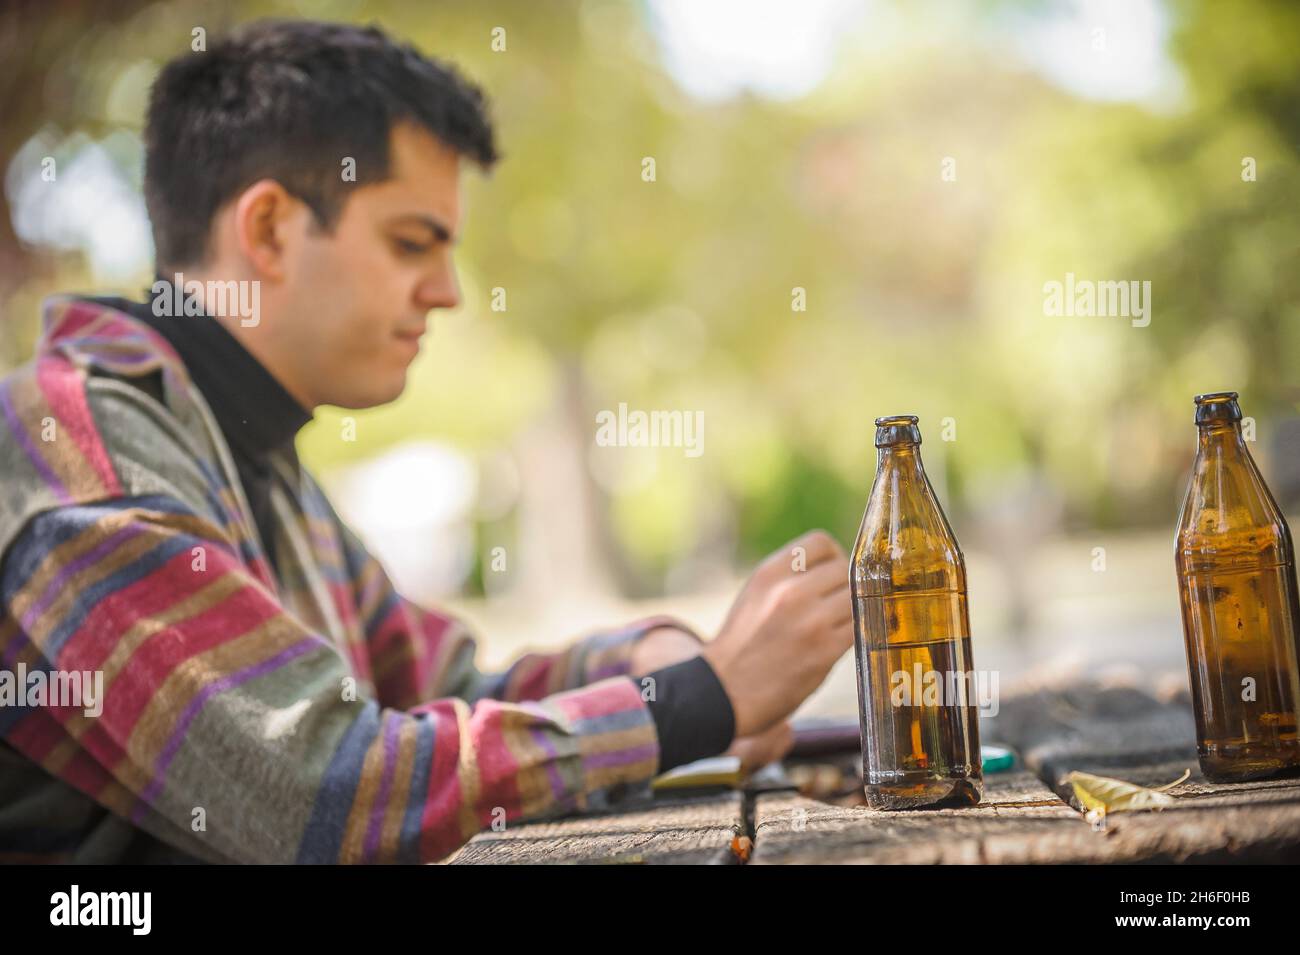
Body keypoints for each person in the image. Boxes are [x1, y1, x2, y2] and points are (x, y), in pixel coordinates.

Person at [0, 19, 852, 863]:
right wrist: (696, 701)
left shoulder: (245, 447)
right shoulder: (80, 460)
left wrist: (642, 658)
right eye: (412, 243)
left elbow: (447, 692)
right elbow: (318, 790)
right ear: (266, 230)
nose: (446, 293)